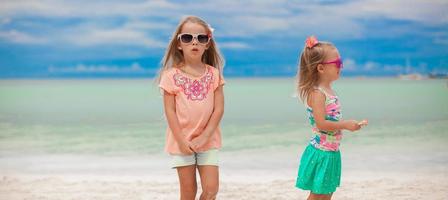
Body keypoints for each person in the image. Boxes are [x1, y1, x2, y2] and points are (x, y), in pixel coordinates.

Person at [157, 16, 225, 200]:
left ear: (207, 44)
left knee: (211, 190)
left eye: (201, 38)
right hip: (181, 142)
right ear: (179, 44)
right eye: (187, 38)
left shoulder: (214, 74)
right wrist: (181, 140)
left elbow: (218, 109)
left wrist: (205, 136)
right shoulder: (170, 76)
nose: (194, 42)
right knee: (188, 193)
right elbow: (169, 111)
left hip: (208, 140)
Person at [295, 35, 368, 200]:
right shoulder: (317, 93)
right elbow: (321, 124)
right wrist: (346, 125)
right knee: (318, 194)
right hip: (322, 152)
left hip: (332, 151)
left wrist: (350, 125)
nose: (340, 67)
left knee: (327, 192)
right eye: (337, 64)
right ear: (320, 68)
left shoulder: (328, 91)